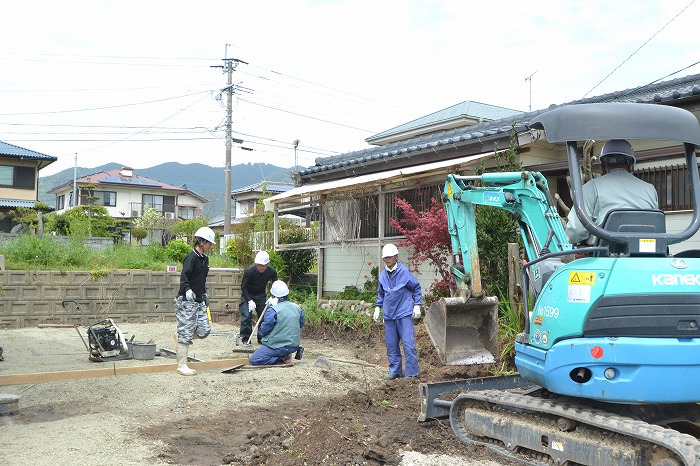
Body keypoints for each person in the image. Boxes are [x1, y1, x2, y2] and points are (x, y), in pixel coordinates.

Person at [566, 139, 659, 245]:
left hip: (605, 256)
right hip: (646, 253)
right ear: (630, 163)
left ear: (603, 165)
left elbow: (575, 231)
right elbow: (656, 225)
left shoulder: (591, 187)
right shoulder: (650, 189)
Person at [374, 243, 422, 380]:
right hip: (389, 315)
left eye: (389, 257)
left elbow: (416, 288)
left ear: (396, 256)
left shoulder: (404, 272)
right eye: (385, 258)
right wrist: (378, 307)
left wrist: (417, 304)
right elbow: (381, 293)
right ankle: (395, 371)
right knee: (391, 345)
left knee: (408, 344)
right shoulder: (383, 275)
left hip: (403, 313)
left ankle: (412, 373)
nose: (387, 260)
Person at [174, 226, 215, 376]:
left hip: (198, 300)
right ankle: (181, 366)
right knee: (185, 333)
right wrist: (187, 290)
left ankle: (180, 337)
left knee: (204, 330)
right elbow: (184, 277)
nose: (210, 246)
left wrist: (204, 294)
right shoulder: (190, 258)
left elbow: (201, 280)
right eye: (209, 243)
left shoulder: (205, 259)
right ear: (201, 241)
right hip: (186, 300)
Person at [249, 280, 305, 365]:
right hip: (293, 345)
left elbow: (263, 331)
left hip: (277, 346)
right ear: (287, 294)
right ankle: (285, 354)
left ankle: (281, 359)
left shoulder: (273, 310)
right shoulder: (297, 308)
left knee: (254, 359)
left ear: (273, 295)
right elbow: (301, 324)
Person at [239, 250, 278, 346]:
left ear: (267, 264)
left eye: (262, 265)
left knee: (264, 317)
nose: (260, 267)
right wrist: (249, 300)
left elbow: (275, 284)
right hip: (247, 295)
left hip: (260, 296)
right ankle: (245, 338)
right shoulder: (249, 271)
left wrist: (273, 297)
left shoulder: (271, 272)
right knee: (246, 316)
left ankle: (262, 337)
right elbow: (243, 287)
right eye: (258, 265)